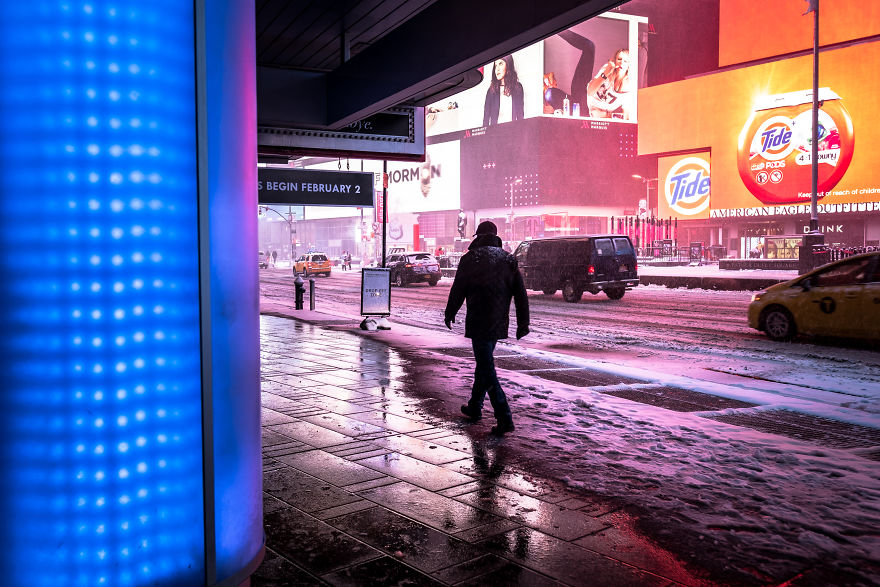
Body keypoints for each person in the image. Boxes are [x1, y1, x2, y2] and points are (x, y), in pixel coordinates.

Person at [444, 221, 529, 436]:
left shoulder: (470, 259)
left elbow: (458, 288)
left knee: (487, 368)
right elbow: (520, 293)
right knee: (484, 364)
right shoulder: (508, 259)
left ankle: (504, 416)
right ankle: (475, 406)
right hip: (499, 321)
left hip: (479, 319)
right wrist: (523, 323)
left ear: (478, 237)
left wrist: (450, 311)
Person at [586, 48, 634, 120]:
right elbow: (590, 91)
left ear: (629, 66)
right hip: (585, 102)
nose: (621, 63)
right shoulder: (607, 69)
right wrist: (606, 72)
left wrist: (607, 115)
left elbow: (626, 116)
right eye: (619, 59)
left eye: (625, 61)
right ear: (615, 60)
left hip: (602, 116)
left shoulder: (629, 84)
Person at [483, 55, 524, 127]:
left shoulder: (517, 88)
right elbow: (486, 119)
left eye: (500, 64)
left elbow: (520, 116)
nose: (497, 69)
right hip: (495, 134)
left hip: (512, 133)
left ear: (508, 65)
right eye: (495, 66)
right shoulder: (491, 91)